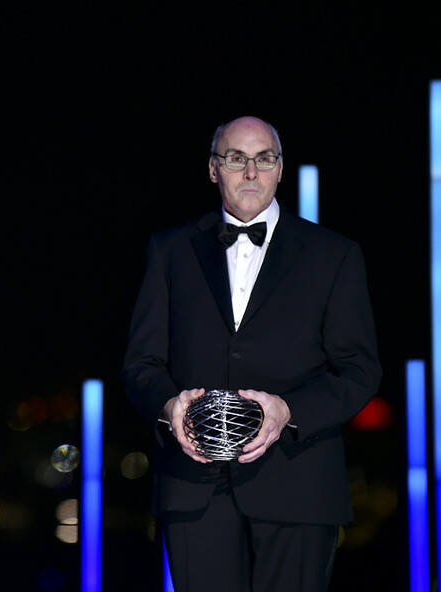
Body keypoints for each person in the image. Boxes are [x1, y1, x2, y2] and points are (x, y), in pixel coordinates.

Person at [121, 116, 381, 591]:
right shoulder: (169, 250)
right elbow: (141, 364)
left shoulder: (334, 255)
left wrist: (289, 411)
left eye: (264, 159)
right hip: (192, 486)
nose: (251, 172)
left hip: (299, 486)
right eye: (236, 158)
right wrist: (167, 404)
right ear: (213, 169)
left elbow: (359, 369)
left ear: (280, 170)